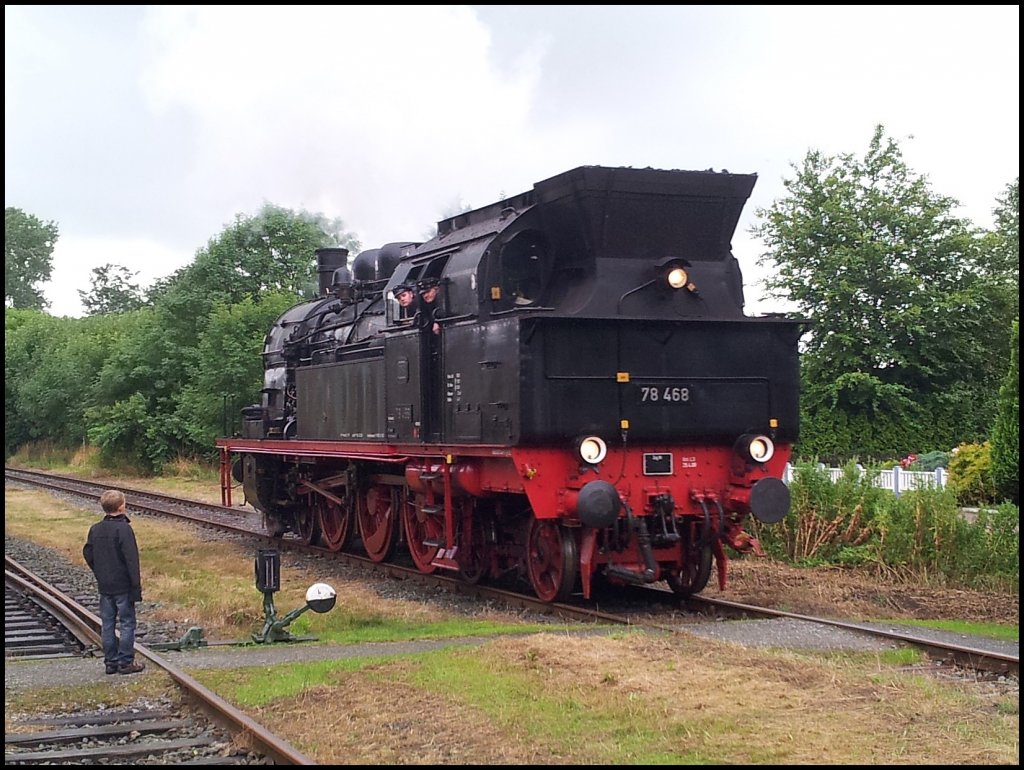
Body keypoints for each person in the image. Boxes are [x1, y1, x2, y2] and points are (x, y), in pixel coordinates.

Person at [83, 490, 145, 675]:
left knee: (107, 624)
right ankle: (126, 662)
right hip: (123, 584)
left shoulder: (96, 529)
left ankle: (110, 662)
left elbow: (88, 553)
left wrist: (99, 571)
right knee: (126, 622)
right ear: (121, 506)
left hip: (105, 585)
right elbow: (131, 560)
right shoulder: (124, 529)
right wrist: (136, 586)